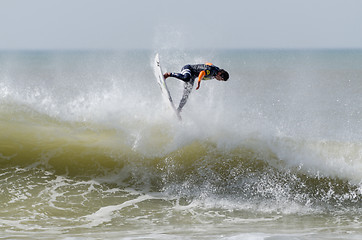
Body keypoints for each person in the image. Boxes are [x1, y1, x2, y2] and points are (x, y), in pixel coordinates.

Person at [163, 63, 229, 113]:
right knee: (186, 78)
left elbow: (208, 64)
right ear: (220, 73)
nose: (220, 80)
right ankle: (168, 74)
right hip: (188, 69)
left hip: (193, 76)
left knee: (186, 95)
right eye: (221, 79)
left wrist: (204, 66)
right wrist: (199, 82)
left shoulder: (216, 70)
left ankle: (178, 110)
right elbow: (202, 72)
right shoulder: (212, 71)